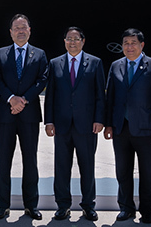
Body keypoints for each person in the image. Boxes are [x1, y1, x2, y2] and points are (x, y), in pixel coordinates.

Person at [104, 29, 151, 224]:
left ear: (142, 45)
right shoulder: (115, 66)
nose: (129, 47)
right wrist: (108, 124)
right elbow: (110, 98)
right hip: (121, 128)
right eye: (125, 43)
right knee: (123, 171)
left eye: (133, 43)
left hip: (146, 128)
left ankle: (147, 211)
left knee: (148, 172)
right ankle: (126, 208)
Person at [44, 27, 106, 221]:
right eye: (69, 39)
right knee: (61, 167)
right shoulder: (55, 64)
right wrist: (49, 121)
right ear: (64, 41)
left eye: (76, 39)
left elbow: (99, 96)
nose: (72, 42)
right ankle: (63, 205)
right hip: (61, 125)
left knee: (87, 166)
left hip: (87, 125)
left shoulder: (95, 63)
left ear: (83, 41)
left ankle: (88, 205)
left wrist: (99, 119)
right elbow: (50, 95)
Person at [0, 14, 49, 219]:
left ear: (30, 30)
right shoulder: (1, 53)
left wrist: (23, 99)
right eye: (16, 27)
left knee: (30, 161)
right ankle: (2, 205)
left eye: (24, 27)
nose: (20, 31)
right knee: (3, 161)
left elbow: (42, 80)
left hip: (29, 115)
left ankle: (31, 205)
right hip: (6, 116)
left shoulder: (40, 54)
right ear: (10, 32)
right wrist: (10, 99)